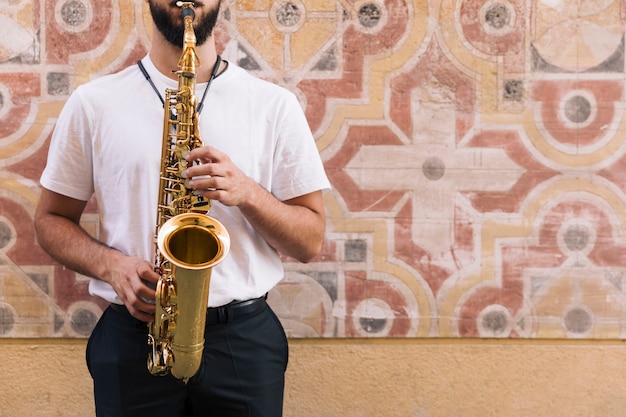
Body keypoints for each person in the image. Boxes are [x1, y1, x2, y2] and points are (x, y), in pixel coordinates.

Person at [34, 0, 330, 415]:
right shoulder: (93, 104)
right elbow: (50, 220)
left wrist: (246, 192)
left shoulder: (274, 106)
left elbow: (309, 241)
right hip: (135, 336)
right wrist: (110, 266)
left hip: (242, 342)